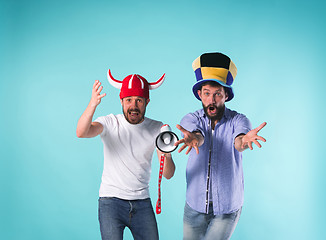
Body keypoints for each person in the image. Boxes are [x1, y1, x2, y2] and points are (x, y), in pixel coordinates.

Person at [175, 52, 267, 240]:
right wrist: (194, 138)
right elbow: (198, 136)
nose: (212, 99)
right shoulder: (192, 119)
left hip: (226, 208)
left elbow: (239, 141)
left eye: (217, 94)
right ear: (200, 95)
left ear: (226, 95)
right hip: (194, 205)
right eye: (207, 93)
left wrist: (244, 142)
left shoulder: (239, 120)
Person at [76, 69, 175, 240]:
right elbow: (81, 132)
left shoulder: (157, 128)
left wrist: (166, 153)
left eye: (139, 100)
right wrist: (92, 104)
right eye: (129, 100)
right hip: (111, 202)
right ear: (121, 101)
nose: (133, 106)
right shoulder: (109, 122)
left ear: (147, 102)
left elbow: (168, 174)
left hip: (143, 202)